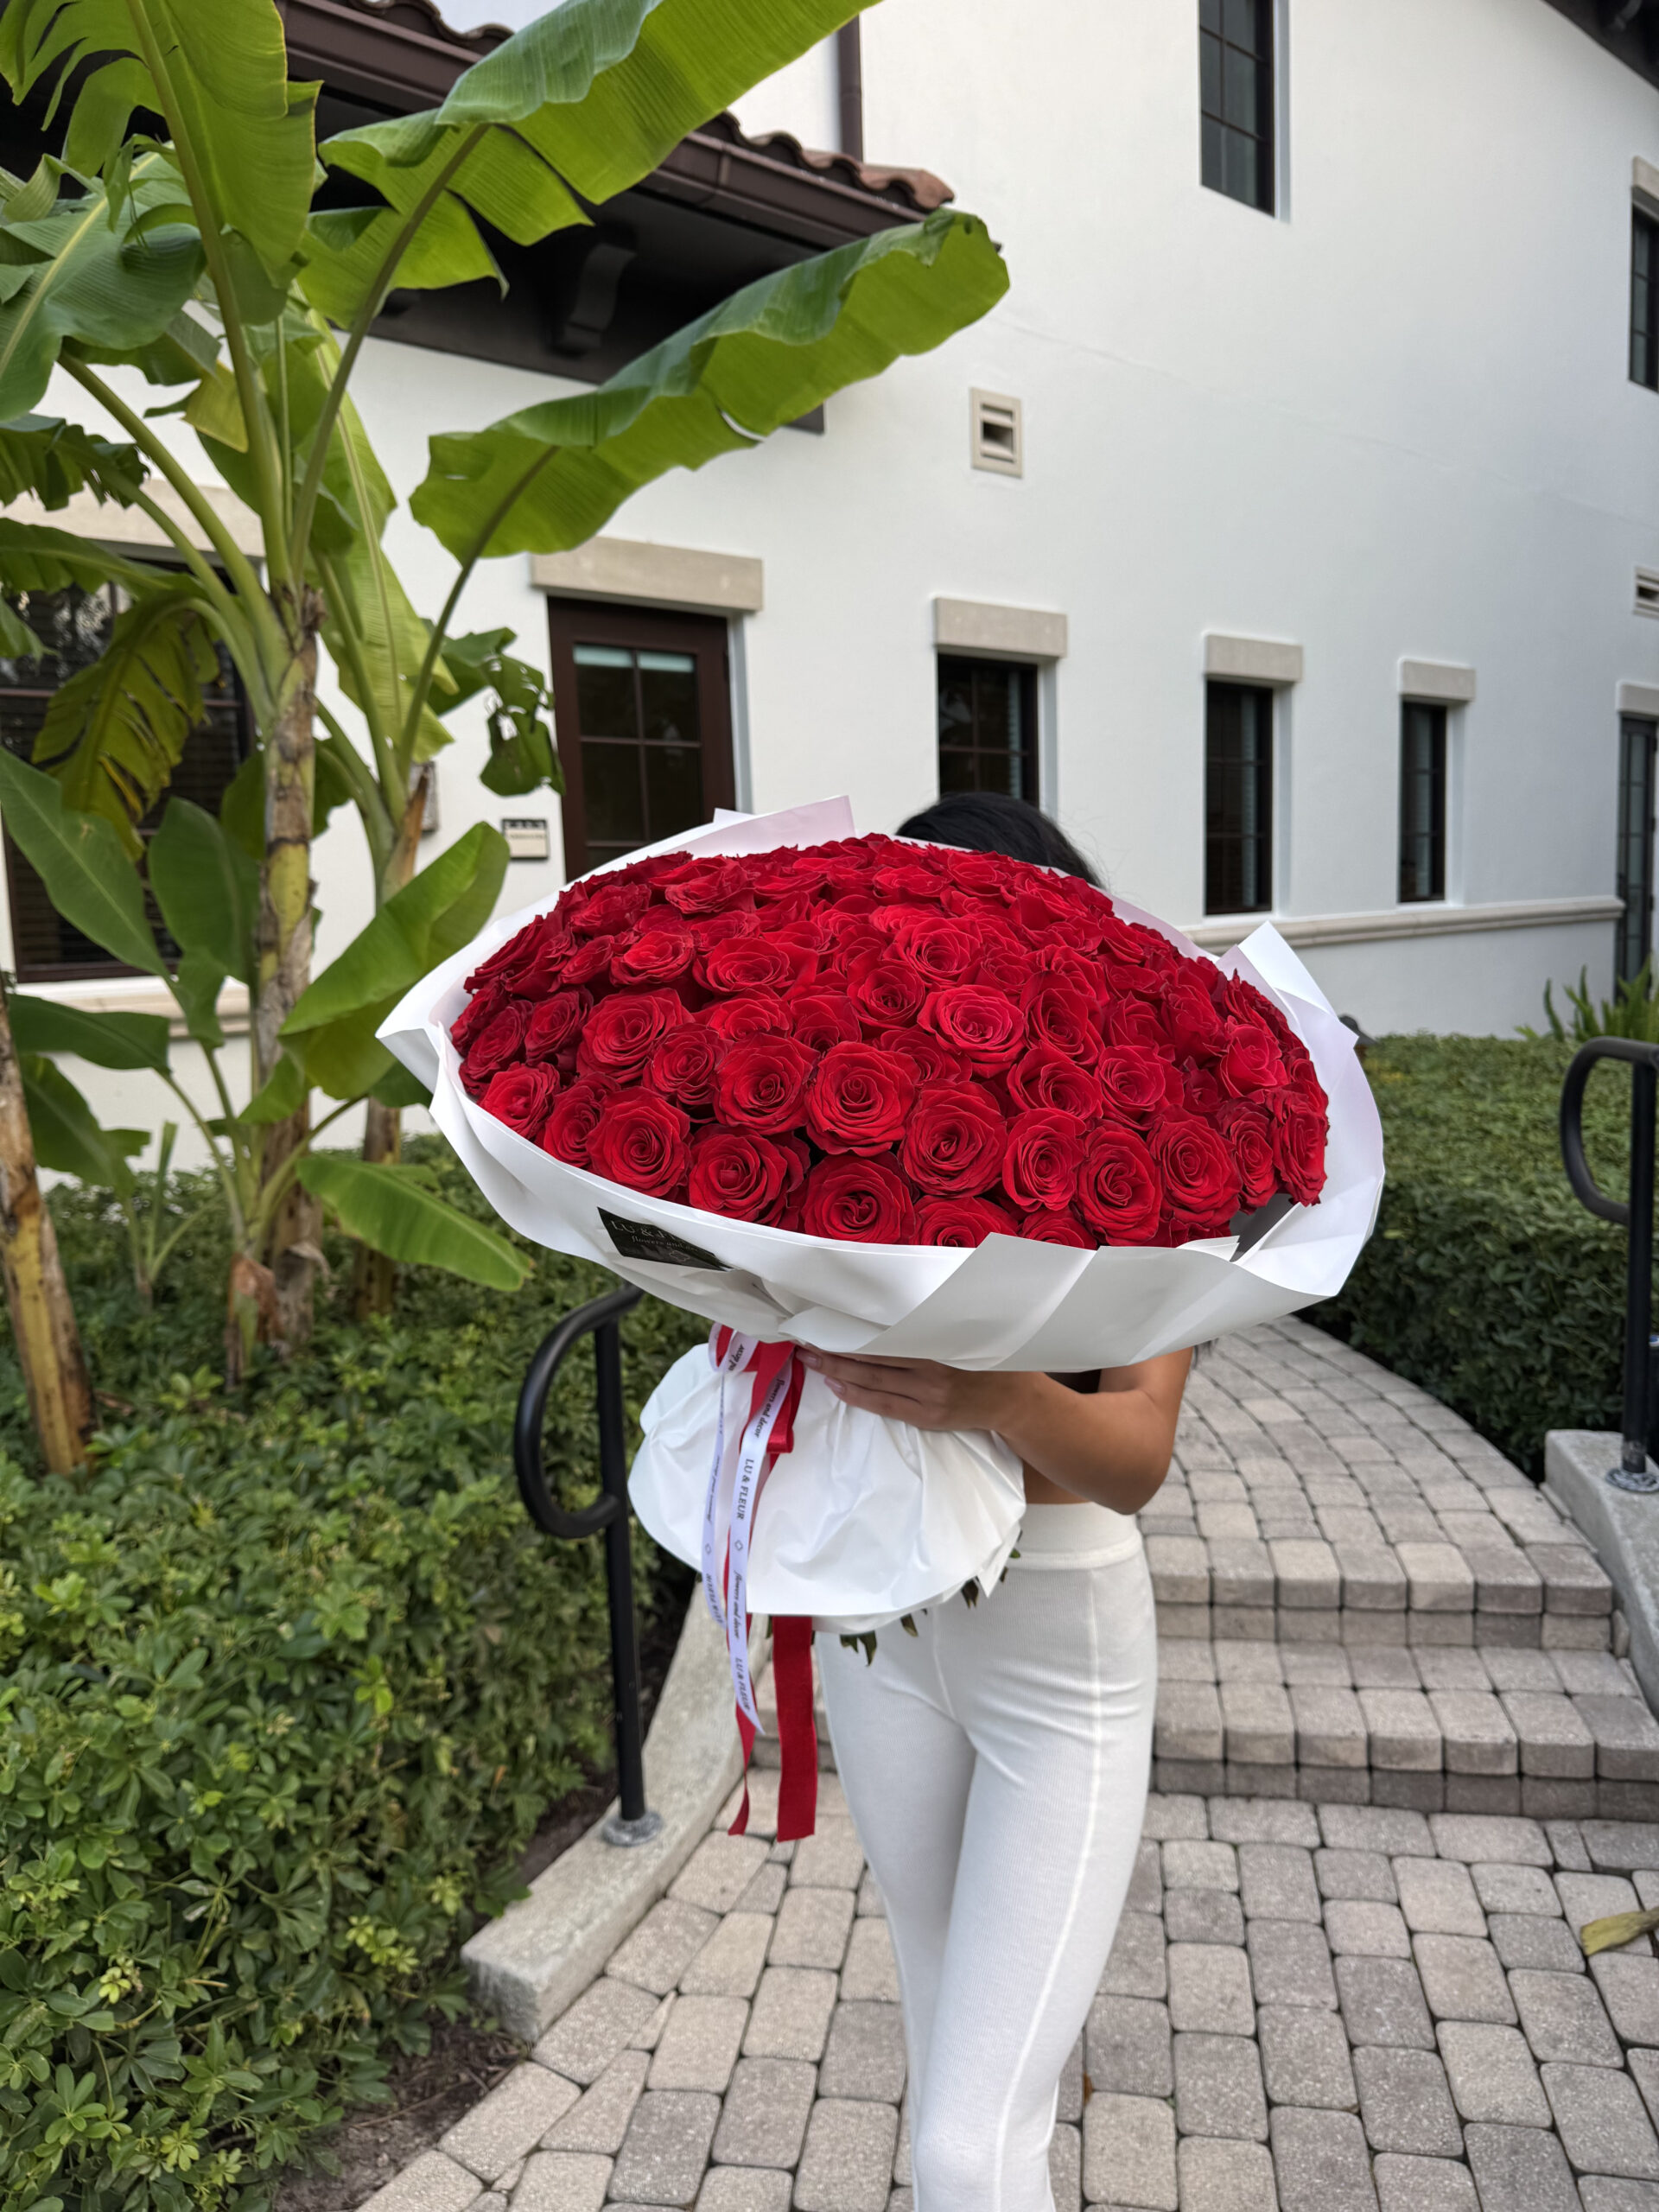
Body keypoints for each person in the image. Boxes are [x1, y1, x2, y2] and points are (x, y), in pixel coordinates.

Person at [796, 791, 1188, 2212]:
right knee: (948, 2043)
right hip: (885, 1620)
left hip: (1059, 1645)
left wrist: (1001, 1396)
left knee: (968, 2143)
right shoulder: (850, 1125)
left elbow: (1136, 1455)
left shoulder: (1152, 1142)